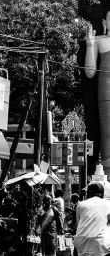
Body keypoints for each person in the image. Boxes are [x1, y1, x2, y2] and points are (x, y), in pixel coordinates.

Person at [84, 14, 110, 172]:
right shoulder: (100, 40)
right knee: (107, 131)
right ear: (104, 22)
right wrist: (89, 46)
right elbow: (89, 72)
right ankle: (107, 167)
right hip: (106, 90)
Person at [74, 182, 110, 256]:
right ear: (101, 194)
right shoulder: (108, 204)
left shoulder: (80, 205)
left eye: (87, 193)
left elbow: (78, 224)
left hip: (82, 245)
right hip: (102, 245)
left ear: (90, 193)